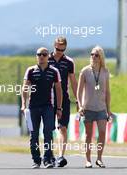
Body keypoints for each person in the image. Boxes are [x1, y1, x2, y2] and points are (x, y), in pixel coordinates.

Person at [21, 47, 62, 169]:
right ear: (36, 56)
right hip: (33, 107)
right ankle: (36, 160)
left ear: (48, 56)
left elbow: (59, 91)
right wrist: (23, 104)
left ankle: (47, 159)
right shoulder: (30, 70)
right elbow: (24, 88)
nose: (42, 57)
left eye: (44, 54)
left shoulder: (54, 71)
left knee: (48, 133)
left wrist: (59, 108)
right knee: (34, 134)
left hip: (48, 107)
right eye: (39, 54)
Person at [77, 46, 111, 168]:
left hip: (101, 108)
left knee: (102, 132)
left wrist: (109, 110)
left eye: (96, 55)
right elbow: (79, 91)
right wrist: (80, 106)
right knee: (88, 134)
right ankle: (87, 160)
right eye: (92, 54)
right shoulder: (85, 71)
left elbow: (107, 92)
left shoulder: (105, 71)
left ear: (101, 56)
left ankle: (99, 158)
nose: (93, 57)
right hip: (88, 108)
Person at [48, 36, 78, 167]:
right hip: (48, 98)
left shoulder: (69, 62)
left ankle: (60, 156)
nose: (60, 51)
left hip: (64, 99)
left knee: (63, 128)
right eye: (57, 49)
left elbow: (73, 82)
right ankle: (49, 155)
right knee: (48, 129)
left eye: (62, 49)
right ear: (53, 46)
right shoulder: (45, 58)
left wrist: (78, 100)